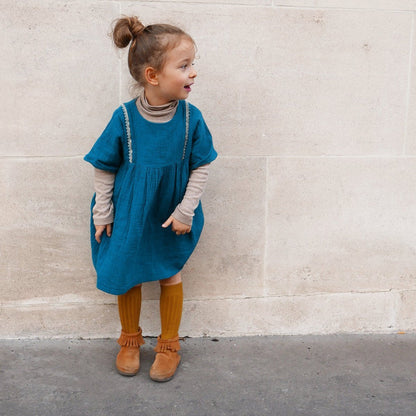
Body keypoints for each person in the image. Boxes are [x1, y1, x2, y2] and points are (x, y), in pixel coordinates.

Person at [84, 16, 217, 382]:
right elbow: (104, 167)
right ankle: (130, 340)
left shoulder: (191, 118)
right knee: (128, 273)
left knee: (170, 272)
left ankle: (169, 345)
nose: (193, 72)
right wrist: (102, 212)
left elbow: (201, 166)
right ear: (153, 75)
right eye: (184, 66)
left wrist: (186, 211)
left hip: (170, 212)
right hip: (129, 212)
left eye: (192, 64)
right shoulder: (124, 118)